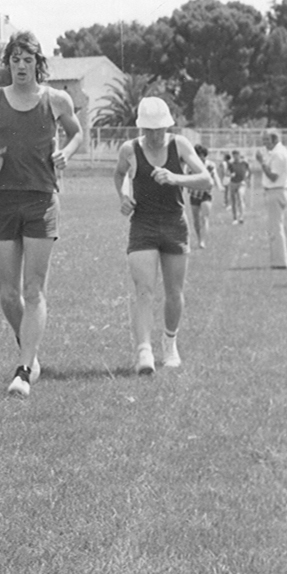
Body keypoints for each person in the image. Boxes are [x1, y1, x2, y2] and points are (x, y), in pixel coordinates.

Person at [0, 31, 82, 396]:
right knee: (7, 294)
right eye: (15, 60)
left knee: (34, 289)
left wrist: (67, 152)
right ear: (8, 64)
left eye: (27, 60)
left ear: (38, 63)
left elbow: (77, 134)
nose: (20, 66)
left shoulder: (57, 100)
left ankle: (24, 369)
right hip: (4, 200)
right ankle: (30, 350)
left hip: (41, 200)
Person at [113, 98, 212, 374]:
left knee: (174, 292)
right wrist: (122, 196)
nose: (155, 135)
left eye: (160, 129)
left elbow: (206, 179)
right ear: (141, 127)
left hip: (174, 223)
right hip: (142, 224)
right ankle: (143, 351)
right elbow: (119, 175)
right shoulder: (129, 149)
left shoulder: (179, 145)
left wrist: (176, 178)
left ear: (168, 126)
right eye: (149, 130)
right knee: (143, 290)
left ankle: (170, 344)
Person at [255, 129, 287, 268]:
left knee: (275, 228)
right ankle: (277, 260)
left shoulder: (278, 154)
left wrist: (261, 162)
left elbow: (273, 176)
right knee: (275, 227)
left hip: (276, 191)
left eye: (266, 140)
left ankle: (280, 262)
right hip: (276, 191)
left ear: (275, 139)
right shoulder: (278, 152)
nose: (264, 143)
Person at [188, 143, 221, 248]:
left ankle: (202, 241)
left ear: (204, 155)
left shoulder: (210, 165)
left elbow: (215, 176)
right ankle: (199, 238)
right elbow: (186, 177)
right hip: (194, 194)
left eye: (200, 155)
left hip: (206, 194)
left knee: (205, 217)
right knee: (196, 219)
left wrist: (219, 186)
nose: (198, 157)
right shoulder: (191, 165)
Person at [228, 149, 251, 223]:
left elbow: (249, 171)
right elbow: (227, 172)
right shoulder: (231, 164)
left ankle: (241, 217)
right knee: (233, 201)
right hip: (233, 183)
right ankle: (234, 218)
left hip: (241, 182)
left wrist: (247, 178)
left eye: (236, 155)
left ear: (239, 155)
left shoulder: (244, 163)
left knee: (240, 196)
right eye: (234, 155)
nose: (235, 157)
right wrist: (230, 174)